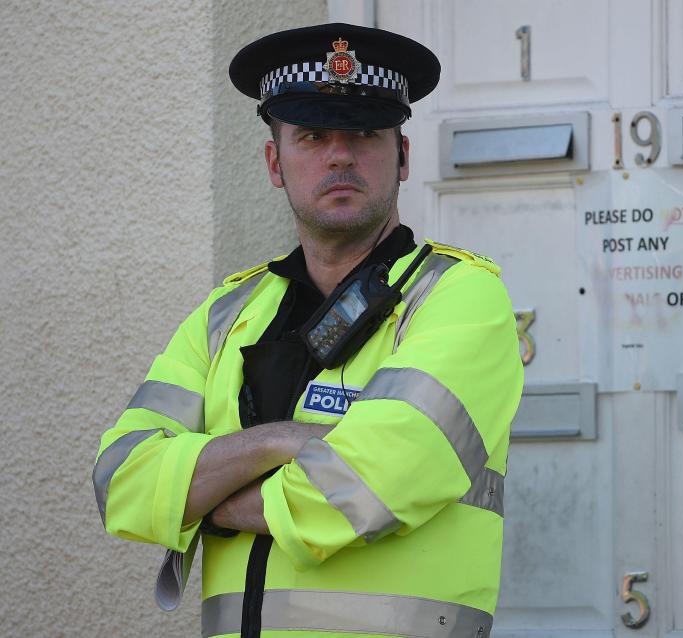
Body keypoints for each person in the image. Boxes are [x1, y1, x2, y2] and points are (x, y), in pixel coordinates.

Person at [93, 22, 523, 638]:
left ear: (402, 157)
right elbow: (121, 479)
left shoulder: (458, 296)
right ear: (275, 162)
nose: (340, 154)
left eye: (365, 134)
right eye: (313, 134)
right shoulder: (226, 315)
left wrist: (202, 504)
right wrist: (278, 441)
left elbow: (368, 486)